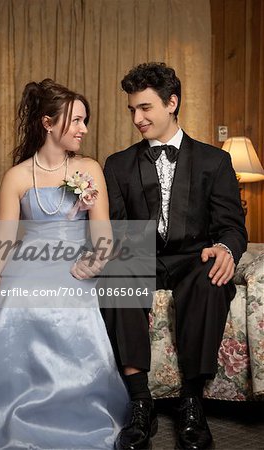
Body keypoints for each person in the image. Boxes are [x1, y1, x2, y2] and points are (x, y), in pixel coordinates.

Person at [0, 79, 129, 449]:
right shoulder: (18, 176)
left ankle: (70, 411)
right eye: (76, 121)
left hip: (73, 261)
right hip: (30, 256)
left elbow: (103, 235)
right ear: (48, 123)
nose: (84, 129)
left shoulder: (89, 168)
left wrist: (96, 259)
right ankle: (5, 408)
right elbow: (5, 235)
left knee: (61, 299)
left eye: (86, 121)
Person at [99, 62, 247, 450]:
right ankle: (139, 402)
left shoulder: (215, 161)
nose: (137, 118)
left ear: (172, 103)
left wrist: (226, 249)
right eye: (132, 109)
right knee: (118, 271)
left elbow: (232, 226)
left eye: (145, 108)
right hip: (140, 254)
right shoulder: (117, 164)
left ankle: (192, 400)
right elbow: (115, 228)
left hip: (192, 258)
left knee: (211, 275)